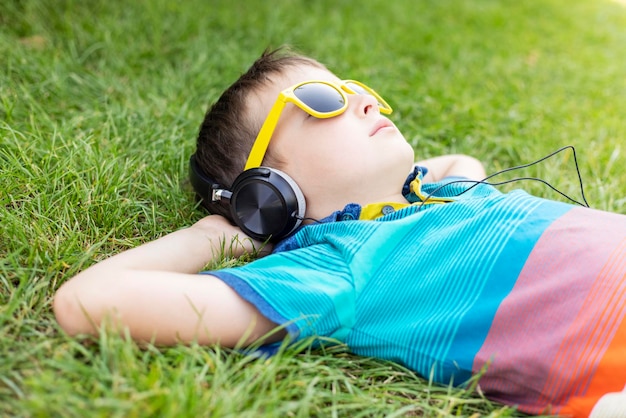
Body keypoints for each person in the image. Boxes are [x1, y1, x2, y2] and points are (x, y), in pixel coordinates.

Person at [53, 47, 626, 418]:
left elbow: (461, 163)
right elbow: (86, 303)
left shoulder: (433, 196)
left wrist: (399, 181)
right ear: (268, 190)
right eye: (322, 101)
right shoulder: (337, 268)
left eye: (355, 88)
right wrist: (213, 238)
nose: (362, 101)